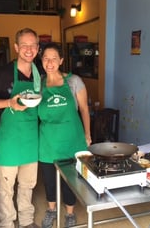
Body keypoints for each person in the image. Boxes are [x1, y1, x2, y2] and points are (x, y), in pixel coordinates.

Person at [0, 28, 41, 228]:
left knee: (28, 185)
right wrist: (10, 103)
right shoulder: (5, 72)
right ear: (16, 47)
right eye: (24, 45)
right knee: (6, 188)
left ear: (38, 48)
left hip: (31, 139)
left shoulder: (39, 73)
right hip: (9, 140)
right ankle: (7, 223)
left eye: (33, 45)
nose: (29, 49)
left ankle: (26, 221)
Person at [38, 42, 91, 228]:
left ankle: (69, 213)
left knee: (70, 181)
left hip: (72, 140)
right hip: (48, 142)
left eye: (53, 58)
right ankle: (51, 210)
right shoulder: (39, 84)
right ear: (41, 60)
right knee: (50, 181)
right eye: (45, 58)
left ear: (61, 60)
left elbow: (84, 109)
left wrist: (87, 134)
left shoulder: (74, 81)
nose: (49, 62)